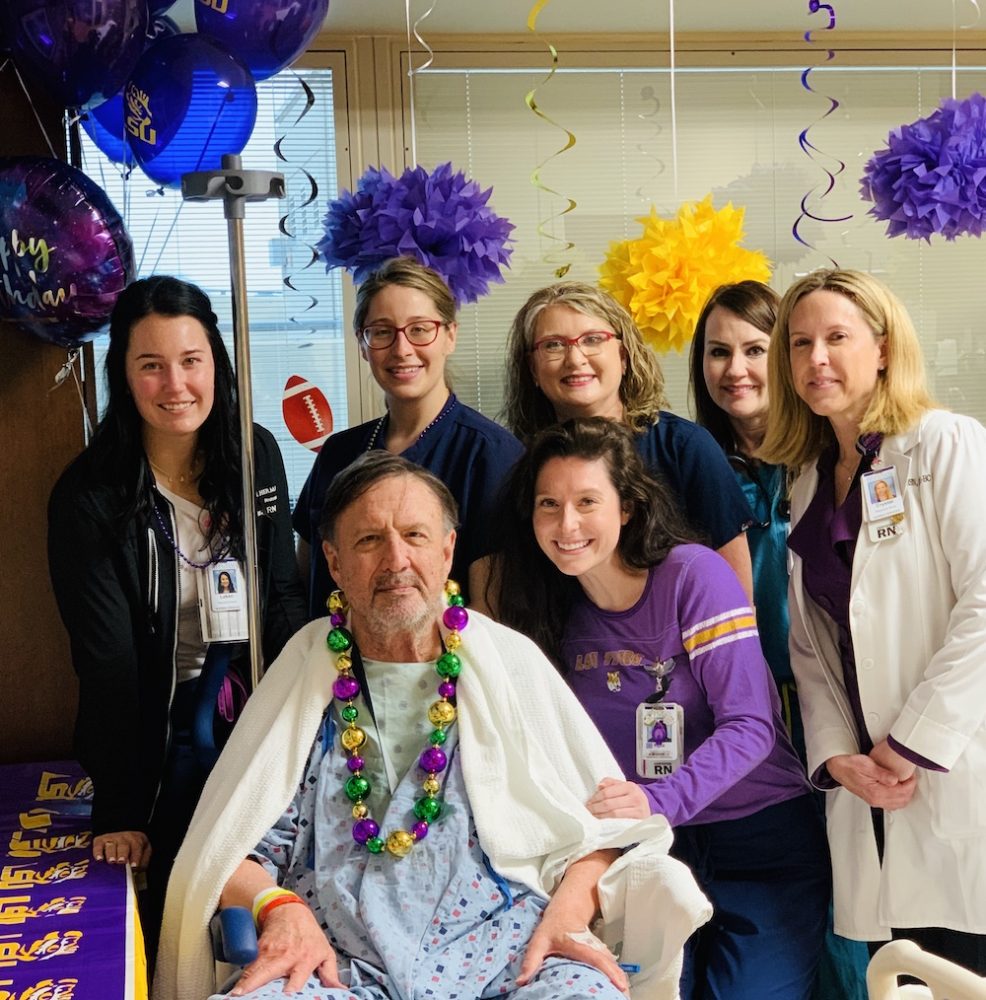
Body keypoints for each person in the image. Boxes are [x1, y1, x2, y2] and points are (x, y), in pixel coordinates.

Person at [153, 453, 710, 1000]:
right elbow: (232, 848)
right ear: (335, 561)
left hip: (510, 961)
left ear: (447, 551)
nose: (396, 559)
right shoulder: (305, 672)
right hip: (336, 966)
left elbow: (601, 834)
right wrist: (281, 910)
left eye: (415, 536)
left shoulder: (511, 664)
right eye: (370, 540)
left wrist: (566, 919)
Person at [494, 418, 829, 999]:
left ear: (626, 507)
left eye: (587, 501)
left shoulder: (692, 575)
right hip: (646, 854)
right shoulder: (549, 614)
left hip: (759, 844)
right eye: (548, 504)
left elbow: (752, 725)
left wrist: (656, 800)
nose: (566, 524)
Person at [47, 276, 307, 956]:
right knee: (176, 900)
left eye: (191, 361)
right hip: (154, 734)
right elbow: (109, 666)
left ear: (214, 361)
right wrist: (124, 807)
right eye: (151, 365)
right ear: (123, 375)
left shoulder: (255, 456)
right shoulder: (90, 497)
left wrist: (307, 734)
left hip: (249, 708)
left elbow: (280, 602)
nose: (176, 384)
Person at [759, 268, 986, 973]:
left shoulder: (945, 444)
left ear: (883, 349)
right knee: (900, 974)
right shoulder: (807, 478)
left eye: (836, 338)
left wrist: (911, 742)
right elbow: (812, 645)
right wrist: (835, 756)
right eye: (799, 344)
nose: (815, 359)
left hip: (950, 767)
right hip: (869, 782)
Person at [690, 281, 871, 999]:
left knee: (853, 903)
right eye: (718, 352)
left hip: (841, 706)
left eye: (756, 349)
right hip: (744, 722)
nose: (735, 369)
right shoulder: (691, 465)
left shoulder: (835, 464)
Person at [293, 256, 522, 618]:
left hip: (443, 671)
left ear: (450, 335)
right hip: (332, 667)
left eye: (419, 329)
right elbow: (305, 582)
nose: (402, 349)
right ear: (363, 344)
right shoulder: (339, 453)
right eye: (382, 332)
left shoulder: (491, 455)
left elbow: (490, 616)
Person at [501, 281, 754, 598]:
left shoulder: (686, 448)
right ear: (533, 369)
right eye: (553, 345)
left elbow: (737, 596)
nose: (575, 359)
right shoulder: (522, 464)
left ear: (623, 356)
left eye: (593, 340)